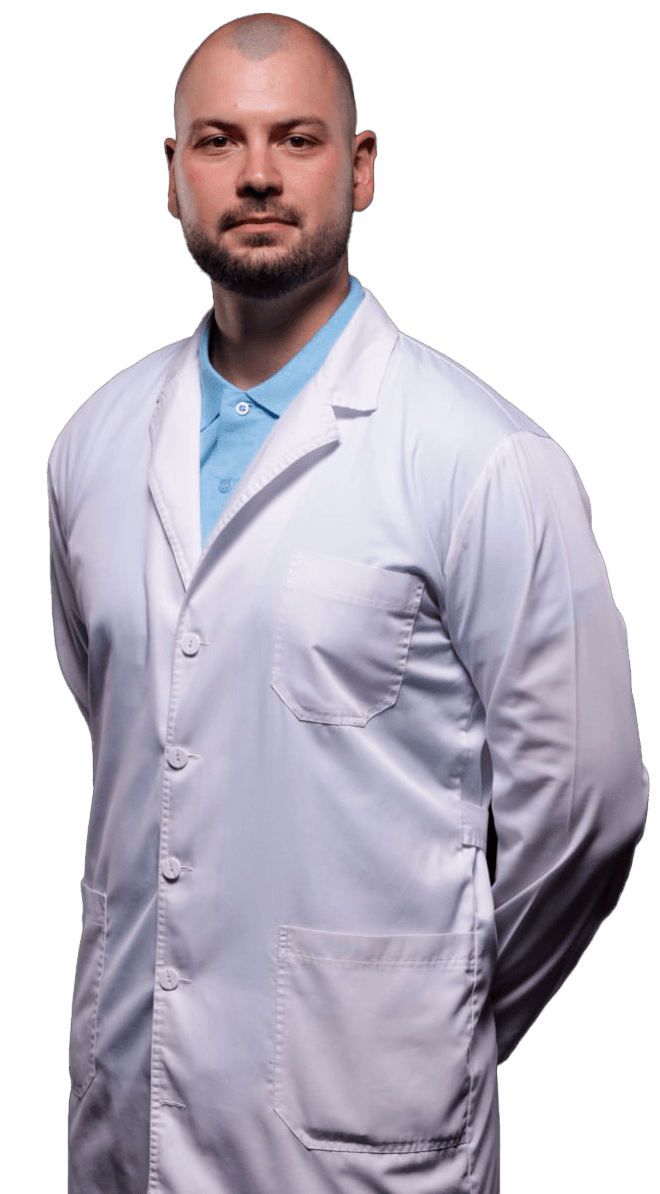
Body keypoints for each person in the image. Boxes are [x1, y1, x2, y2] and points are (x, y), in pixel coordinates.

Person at [47, 13, 648, 1194]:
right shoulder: (92, 446)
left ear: (360, 168)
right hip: (126, 1120)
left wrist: (428, 1016)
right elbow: (131, 726)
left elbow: (588, 806)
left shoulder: (481, 459)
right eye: (218, 140)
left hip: (363, 1139)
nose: (258, 174)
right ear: (171, 177)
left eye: (298, 139)